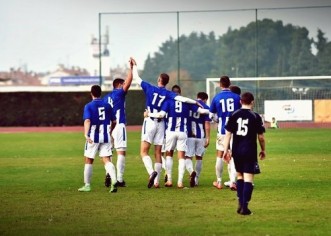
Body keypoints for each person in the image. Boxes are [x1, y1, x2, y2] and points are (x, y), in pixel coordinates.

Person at [131, 58, 202, 188]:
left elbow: (136, 77)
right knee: (158, 152)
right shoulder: (169, 94)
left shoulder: (149, 88)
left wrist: (134, 66)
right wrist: (194, 102)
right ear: (167, 83)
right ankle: (157, 181)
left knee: (144, 152)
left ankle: (152, 173)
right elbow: (182, 98)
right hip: (161, 124)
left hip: (150, 121)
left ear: (159, 80)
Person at [223, 92, 266, 215]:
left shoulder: (234, 114)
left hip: (236, 150)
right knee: (248, 179)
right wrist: (263, 150)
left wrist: (226, 151)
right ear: (252, 102)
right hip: (249, 150)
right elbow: (261, 137)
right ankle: (245, 207)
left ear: (240, 102)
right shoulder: (255, 116)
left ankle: (240, 203)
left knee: (240, 176)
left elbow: (228, 134)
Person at [78, 85, 118, 193]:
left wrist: (86, 134)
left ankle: (87, 185)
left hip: (93, 137)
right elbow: (114, 121)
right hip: (105, 136)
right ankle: (114, 180)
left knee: (89, 160)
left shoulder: (88, 106)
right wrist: (110, 131)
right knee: (106, 159)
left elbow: (87, 121)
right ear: (101, 93)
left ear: (91, 94)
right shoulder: (108, 106)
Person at [103, 59, 133, 187]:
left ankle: (109, 173)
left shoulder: (106, 97)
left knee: (108, 153)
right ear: (119, 85)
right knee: (121, 152)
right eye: (123, 84)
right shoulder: (120, 93)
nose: (125, 85)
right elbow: (129, 82)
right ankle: (119, 179)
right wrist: (131, 68)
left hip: (107, 127)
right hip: (119, 124)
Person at [209, 76, 241, 190]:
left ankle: (219, 181)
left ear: (220, 84)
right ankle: (233, 182)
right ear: (230, 83)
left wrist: (219, 120)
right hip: (235, 131)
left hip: (222, 130)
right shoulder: (237, 97)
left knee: (219, 155)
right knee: (233, 156)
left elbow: (211, 115)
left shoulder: (216, 98)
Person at [184, 92, 211, 186]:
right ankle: (196, 179)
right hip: (200, 135)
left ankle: (191, 172)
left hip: (189, 135)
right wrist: (208, 137)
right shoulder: (206, 107)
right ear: (205, 99)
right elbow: (207, 124)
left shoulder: (190, 104)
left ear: (197, 97)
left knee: (188, 156)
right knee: (199, 157)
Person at [224, 85, 241, 190]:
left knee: (232, 158)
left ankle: (233, 181)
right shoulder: (240, 104)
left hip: (229, 132)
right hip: (242, 136)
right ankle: (243, 181)